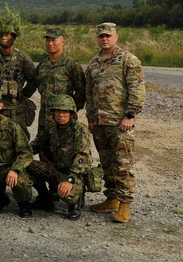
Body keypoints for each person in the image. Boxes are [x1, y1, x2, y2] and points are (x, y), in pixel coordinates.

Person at [85, 22, 145, 224]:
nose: (105, 39)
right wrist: (91, 118)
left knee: (122, 164)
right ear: (97, 38)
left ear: (116, 37)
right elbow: (89, 92)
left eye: (108, 36)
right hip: (100, 123)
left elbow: (137, 89)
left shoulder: (127, 59)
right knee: (107, 163)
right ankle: (111, 199)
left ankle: (125, 205)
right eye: (101, 36)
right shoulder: (93, 63)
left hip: (120, 122)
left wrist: (130, 114)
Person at [27, 94, 94, 220]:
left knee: (70, 195)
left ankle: (75, 204)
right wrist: (21, 154)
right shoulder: (50, 128)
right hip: (55, 169)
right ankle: (45, 199)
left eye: (65, 112)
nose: (61, 115)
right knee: (26, 164)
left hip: (72, 174)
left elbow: (83, 157)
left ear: (71, 113)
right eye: (58, 111)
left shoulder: (79, 130)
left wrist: (70, 180)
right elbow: (36, 144)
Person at [0, 18, 38, 132]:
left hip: (16, 109)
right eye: (1, 35)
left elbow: (32, 80)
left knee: (19, 137)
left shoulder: (23, 58)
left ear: (14, 37)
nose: (4, 38)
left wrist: (22, 95)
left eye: (8, 34)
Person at [35, 28, 86, 131]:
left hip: (64, 121)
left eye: (54, 40)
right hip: (44, 120)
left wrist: (70, 110)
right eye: (47, 40)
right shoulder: (42, 65)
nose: (50, 43)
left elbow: (81, 91)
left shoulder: (71, 65)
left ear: (63, 42)